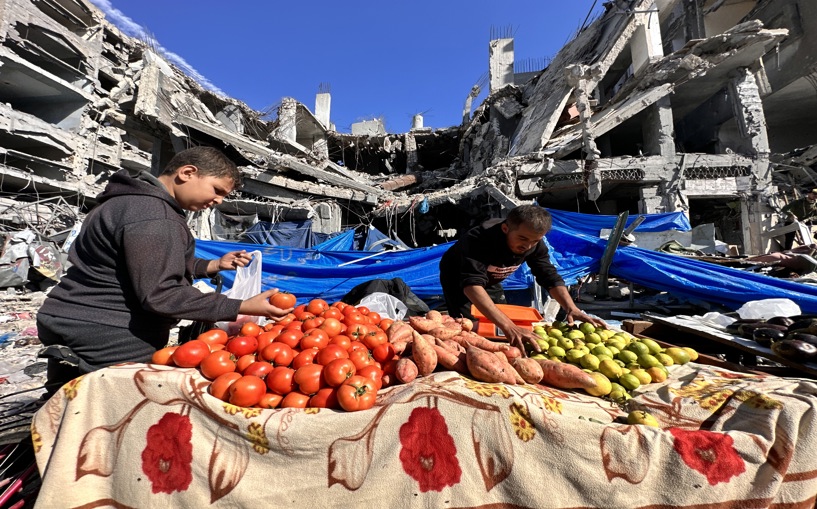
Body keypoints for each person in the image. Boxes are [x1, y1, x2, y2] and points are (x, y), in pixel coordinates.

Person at [36, 146, 293, 394]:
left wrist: (213, 265)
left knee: (63, 411)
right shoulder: (154, 215)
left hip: (70, 317)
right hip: (109, 333)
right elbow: (161, 294)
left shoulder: (124, 202)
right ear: (187, 173)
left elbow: (141, 264)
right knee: (109, 418)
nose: (218, 201)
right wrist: (240, 306)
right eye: (217, 190)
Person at [439, 204, 606, 353]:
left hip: (490, 278)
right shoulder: (478, 240)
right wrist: (509, 326)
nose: (527, 246)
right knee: (471, 326)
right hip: (459, 278)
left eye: (535, 241)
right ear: (505, 229)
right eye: (523, 239)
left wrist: (571, 308)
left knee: (498, 322)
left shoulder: (534, 244)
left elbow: (548, 276)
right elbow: (471, 285)